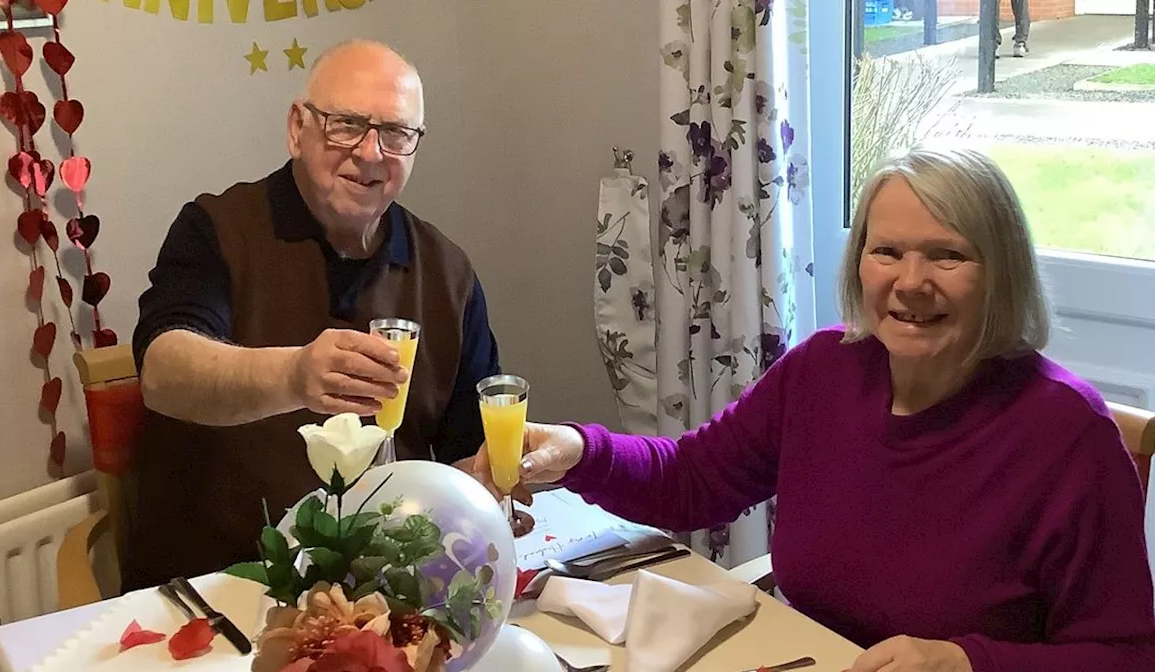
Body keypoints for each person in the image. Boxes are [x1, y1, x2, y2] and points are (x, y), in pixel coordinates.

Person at [473, 146, 1155, 671]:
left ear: (1001, 271)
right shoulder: (825, 370)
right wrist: (579, 450)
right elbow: (692, 479)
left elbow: (1124, 655)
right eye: (886, 250)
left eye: (948, 255)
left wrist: (969, 660)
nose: (910, 282)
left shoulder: (1068, 435)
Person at [122, 40, 501, 591]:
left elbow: (470, 453)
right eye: (345, 124)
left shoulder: (448, 272)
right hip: (221, 589)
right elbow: (163, 372)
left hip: (387, 595)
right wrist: (294, 376)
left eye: (396, 133)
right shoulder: (218, 229)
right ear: (297, 128)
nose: (371, 153)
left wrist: (494, 491)